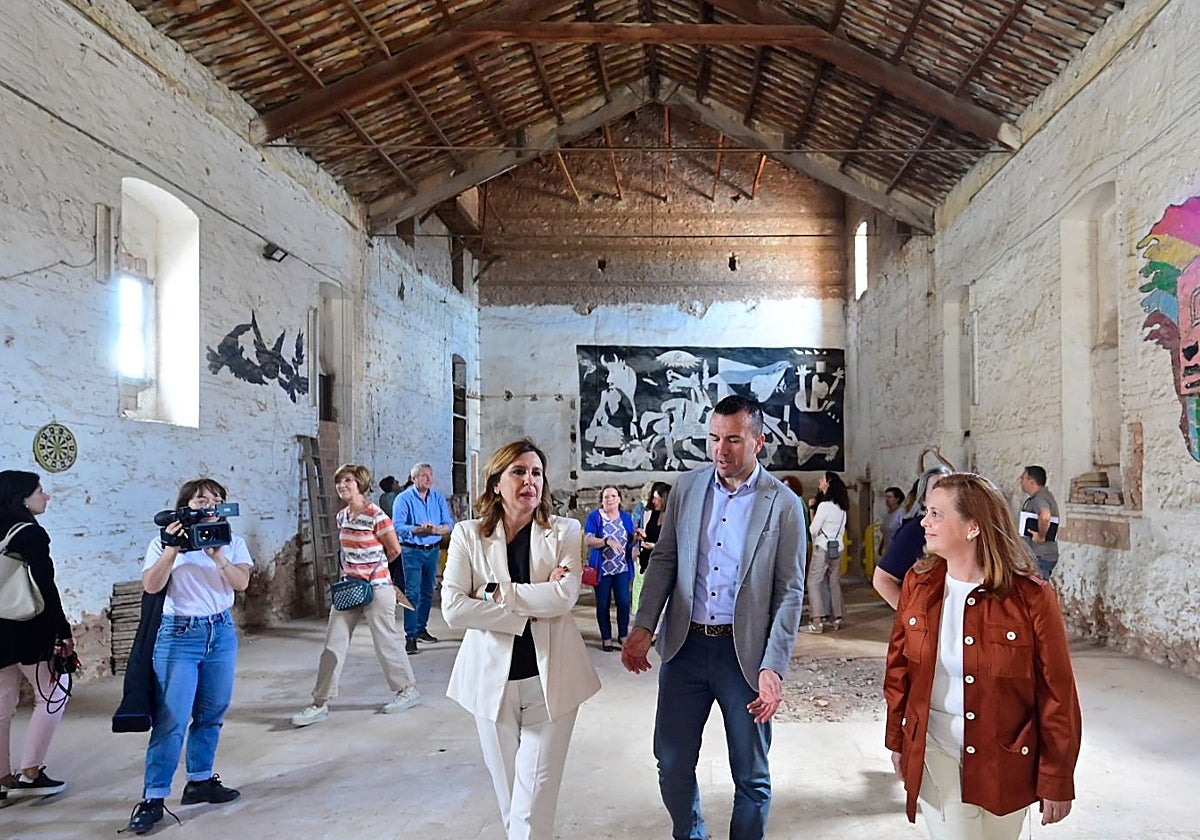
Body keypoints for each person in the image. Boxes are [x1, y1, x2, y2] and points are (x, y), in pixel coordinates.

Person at [622, 395, 805, 840]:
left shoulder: (782, 505)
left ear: (759, 442)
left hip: (742, 657)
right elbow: (664, 560)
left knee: (751, 773)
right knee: (671, 760)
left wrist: (773, 667)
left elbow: (790, 592)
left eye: (734, 440)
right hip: (685, 648)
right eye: (714, 438)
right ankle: (691, 833)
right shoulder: (687, 488)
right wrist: (643, 627)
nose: (721, 450)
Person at [884, 473, 1082, 839]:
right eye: (926, 512)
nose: (924, 522)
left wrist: (1057, 774)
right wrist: (898, 740)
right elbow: (898, 669)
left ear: (973, 527)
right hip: (936, 749)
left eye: (936, 514)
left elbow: (1057, 691)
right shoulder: (918, 584)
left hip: (1007, 756)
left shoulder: (1031, 597)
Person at [441, 439, 600, 840]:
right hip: (489, 684)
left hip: (551, 682)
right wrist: (532, 599)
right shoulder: (467, 535)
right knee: (512, 799)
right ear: (496, 483)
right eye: (518, 472)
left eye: (535, 473)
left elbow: (563, 597)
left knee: (533, 803)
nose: (529, 481)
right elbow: (453, 609)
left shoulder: (565, 531)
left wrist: (495, 593)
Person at [125, 478, 252, 834]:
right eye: (199, 500)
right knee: (172, 718)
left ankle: (199, 780)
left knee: (212, 712)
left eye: (215, 499)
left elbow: (240, 584)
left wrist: (217, 555)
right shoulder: (160, 543)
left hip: (220, 633)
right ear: (184, 507)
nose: (207, 504)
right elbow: (151, 586)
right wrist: (172, 549)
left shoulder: (233, 542)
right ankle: (153, 798)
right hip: (179, 634)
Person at [291, 464, 419, 728]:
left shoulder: (377, 516)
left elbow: (394, 550)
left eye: (348, 481)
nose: (342, 486)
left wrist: (376, 573)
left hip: (377, 588)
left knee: (386, 641)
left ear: (361, 483)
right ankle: (319, 702)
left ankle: (407, 690)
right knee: (333, 644)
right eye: (339, 482)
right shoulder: (342, 517)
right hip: (349, 588)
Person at [0, 470, 72, 800]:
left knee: (2, 703)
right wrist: (62, 630)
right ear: (22, 499)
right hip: (26, 626)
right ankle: (30, 770)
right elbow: (46, 585)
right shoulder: (29, 533)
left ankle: (2, 779)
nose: (46, 496)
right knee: (55, 692)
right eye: (40, 491)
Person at [392, 462, 454, 655]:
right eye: (424, 476)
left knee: (428, 590)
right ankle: (410, 637)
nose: (429, 479)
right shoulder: (403, 499)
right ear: (414, 479)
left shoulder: (437, 498)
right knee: (412, 593)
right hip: (412, 550)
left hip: (432, 550)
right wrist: (418, 529)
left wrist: (436, 530)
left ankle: (421, 628)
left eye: (430, 475)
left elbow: (448, 523)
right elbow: (397, 526)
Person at [873, 465, 953, 610]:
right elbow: (881, 579)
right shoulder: (915, 530)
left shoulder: (960, 526)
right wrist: (911, 616)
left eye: (948, 487)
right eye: (936, 487)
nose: (943, 492)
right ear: (923, 500)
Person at [583, 485, 636, 651]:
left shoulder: (626, 518)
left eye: (613, 496)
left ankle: (623, 636)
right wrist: (606, 541)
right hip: (602, 570)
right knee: (603, 604)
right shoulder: (595, 517)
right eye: (606, 497)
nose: (610, 499)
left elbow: (630, 540)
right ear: (602, 500)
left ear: (619, 499)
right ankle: (606, 637)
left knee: (624, 602)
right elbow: (588, 540)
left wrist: (637, 539)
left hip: (622, 568)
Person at [802, 472, 850, 633]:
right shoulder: (842, 507)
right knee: (833, 582)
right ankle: (836, 618)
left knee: (813, 582)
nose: (819, 481)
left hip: (822, 547)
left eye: (822, 479)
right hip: (838, 548)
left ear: (828, 483)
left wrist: (811, 510)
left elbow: (813, 529)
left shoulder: (824, 506)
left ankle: (816, 622)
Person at [1019, 465, 1060, 580]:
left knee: (1037, 593)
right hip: (1042, 555)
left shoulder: (1039, 498)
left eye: (1023, 478)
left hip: (1041, 555)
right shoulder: (1043, 495)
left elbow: (1045, 516)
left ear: (1031, 482)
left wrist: (1041, 536)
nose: (1020, 481)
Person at [881, 485, 906, 552]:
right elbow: (886, 532)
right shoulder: (887, 514)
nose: (887, 499)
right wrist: (881, 546)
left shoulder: (901, 513)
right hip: (888, 548)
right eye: (886, 497)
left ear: (897, 499)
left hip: (898, 549)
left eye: (889, 497)